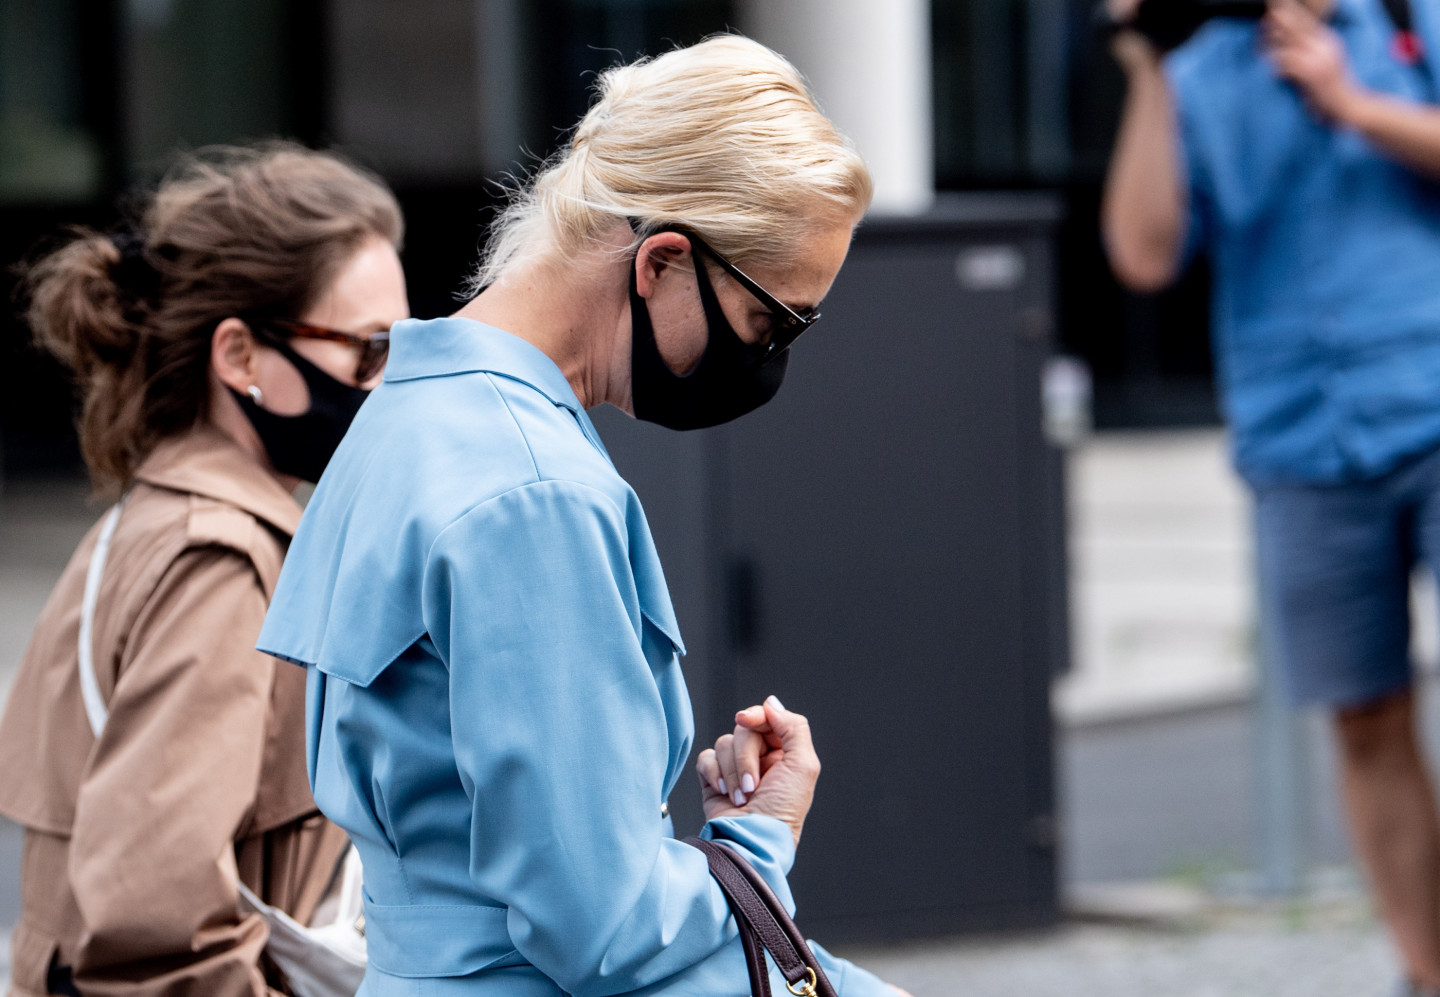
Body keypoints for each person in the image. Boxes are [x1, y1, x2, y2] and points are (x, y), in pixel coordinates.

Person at [256, 35, 909, 997]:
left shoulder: (403, 410)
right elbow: (605, 929)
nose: (771, 360)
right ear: (663, 261)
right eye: (770, 322)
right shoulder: (534, 489)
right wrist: (759, 843)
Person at [0, 144, 409, 997]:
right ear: (241, 356)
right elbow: (161, 924)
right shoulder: (217, 562)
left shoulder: (149, 519)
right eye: (367, 349)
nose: (390, 381)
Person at [1103, 0, 1440, 992]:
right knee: (1363, 718)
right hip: (1302, 434)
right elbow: (1143, 252)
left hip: (1433, 403)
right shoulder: (1202, 68)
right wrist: (1148, 62)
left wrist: (1354, 103)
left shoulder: (1406, 19)